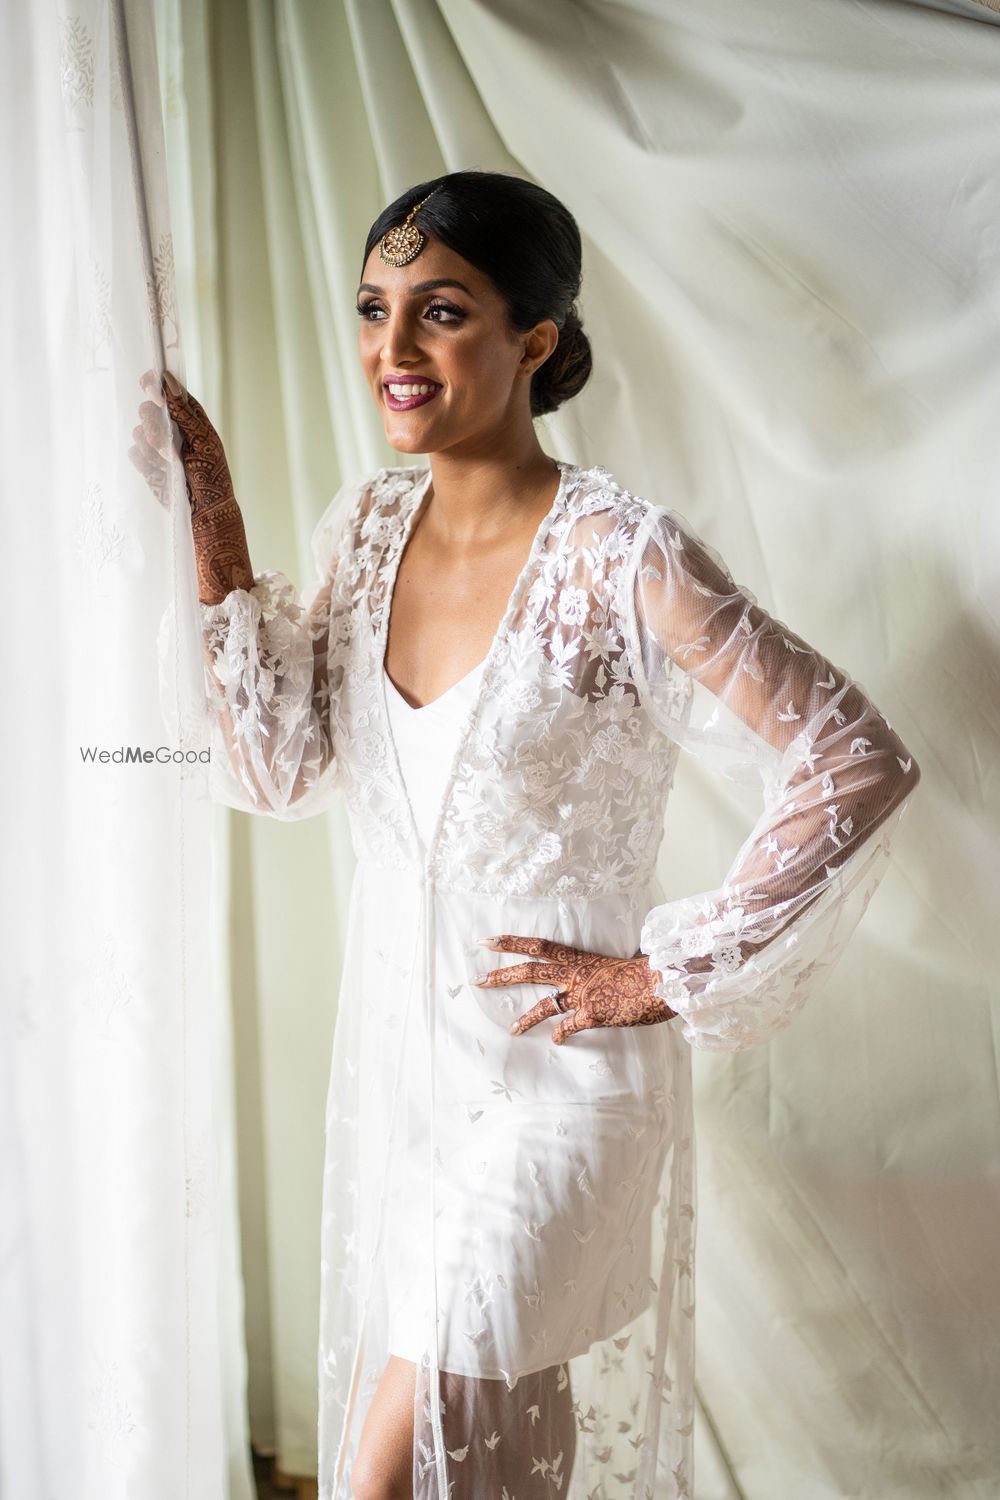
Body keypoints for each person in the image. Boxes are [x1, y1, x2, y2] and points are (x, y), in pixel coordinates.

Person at [133, 169, 921, 1500]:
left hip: (558, 1097)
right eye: (376, 309)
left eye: (439, 312)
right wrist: (209, 508)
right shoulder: (370, 529)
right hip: (405, 1078)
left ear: (534, 341)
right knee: (494, 1454)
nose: (392, 348)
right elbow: (279, 765)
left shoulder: (621, 552)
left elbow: (858, 758)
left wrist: (659, 977)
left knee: (382, 1470)